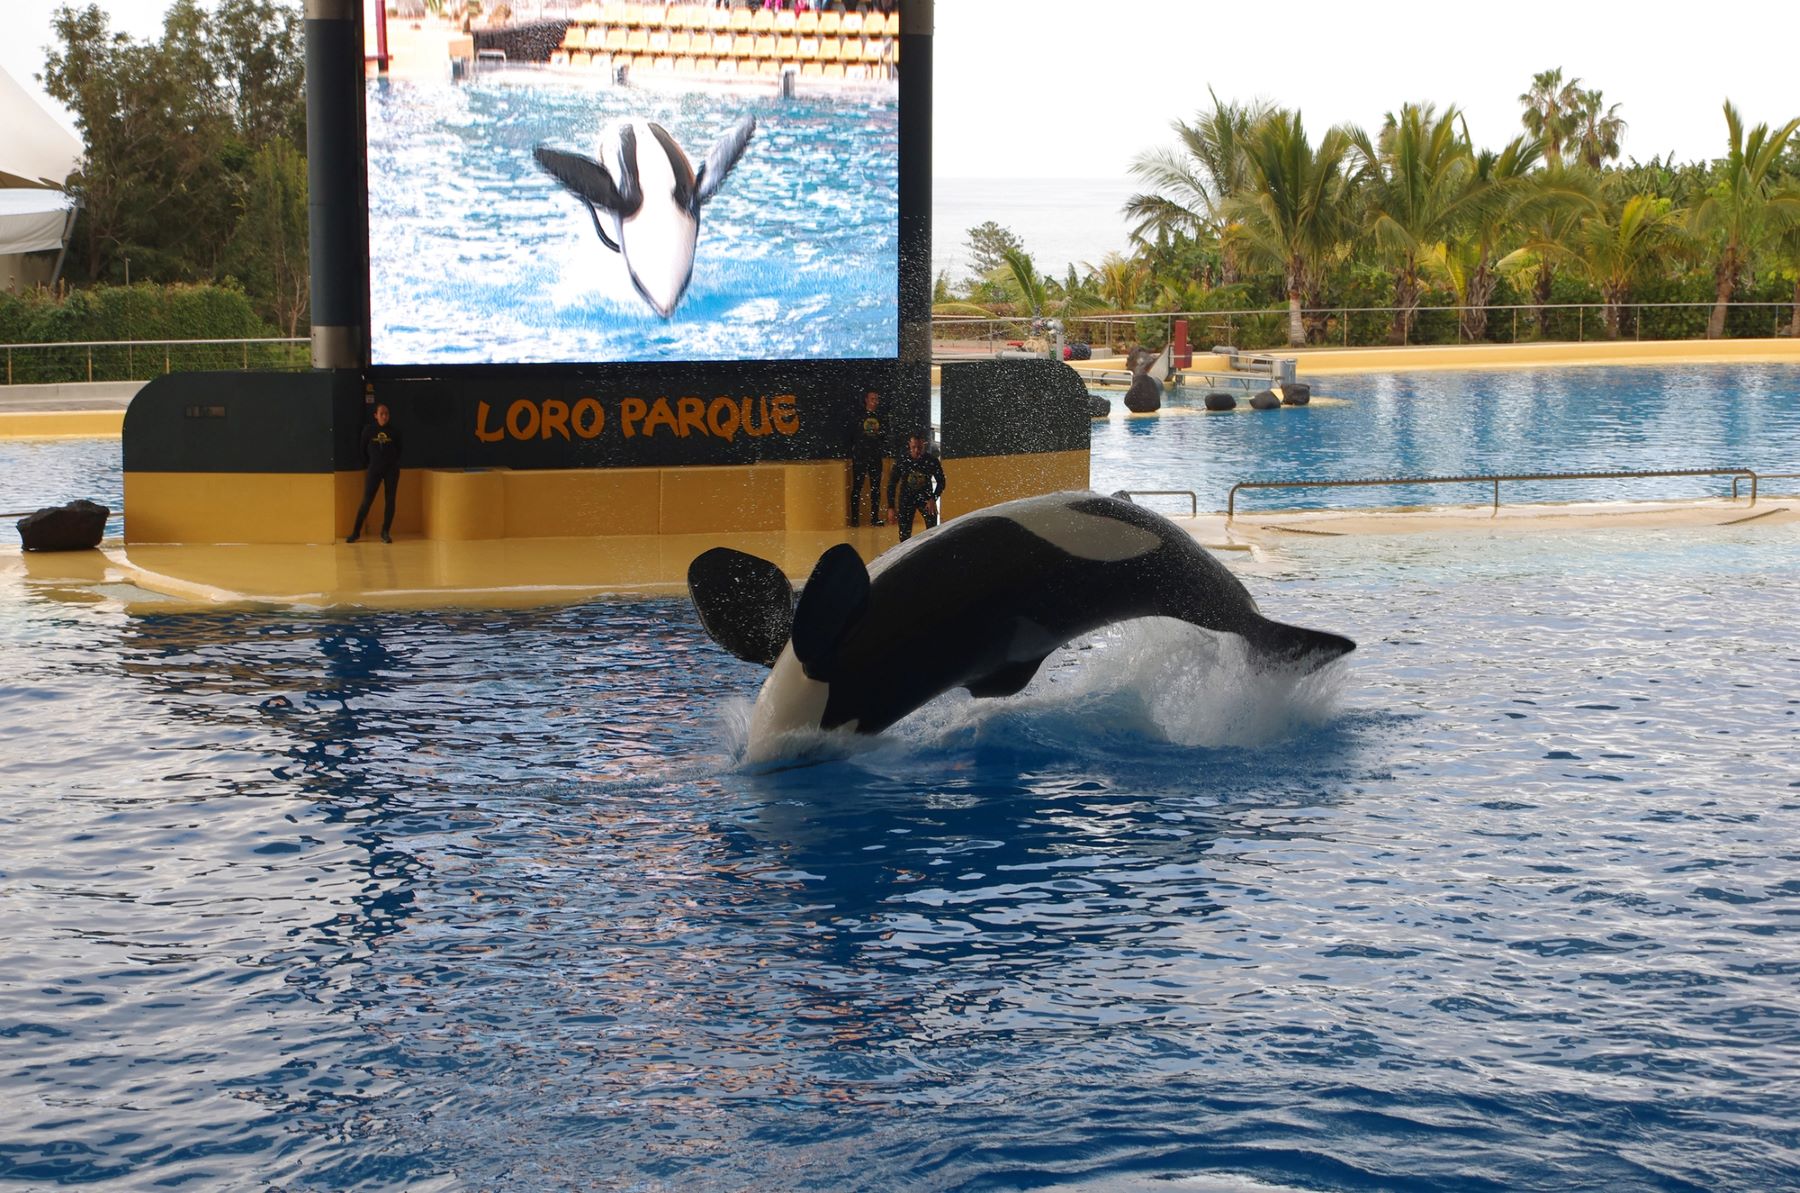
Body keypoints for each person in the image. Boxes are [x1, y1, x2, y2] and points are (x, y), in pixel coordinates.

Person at [347, 403, 402, 544]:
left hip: (391, 470)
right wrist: (370, 464)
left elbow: (399, 450)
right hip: (374, 469)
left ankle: (385, 532)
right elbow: (362, 450)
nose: (384, 416)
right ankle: (355, 532)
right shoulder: (368, 430)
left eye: (387, 414)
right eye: (381, 414)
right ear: (375, 415)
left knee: (390, 501)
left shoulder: (394, 431)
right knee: (367, 501)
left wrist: (392, 464)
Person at [885, 433, 945, 542]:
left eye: (920, 448)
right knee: (904, 535)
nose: (917, 450)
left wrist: (933, 498)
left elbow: (941, 482)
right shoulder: (902, 461)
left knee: (933, 532)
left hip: (926, 498)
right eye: (914, 447)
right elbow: (892, 484)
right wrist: (891, 507)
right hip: (906, 499)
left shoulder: (931, 461)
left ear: (924, 445)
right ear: (909, 445)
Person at [847, 388, 888, 527]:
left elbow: (884, 436)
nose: (875, 402)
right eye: (872, 399)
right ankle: (854, 519)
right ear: (866, 400)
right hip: (860, 456)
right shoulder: (859, 417)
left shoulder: (880, 417)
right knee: (857, 487)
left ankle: (874, 517)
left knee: (875, 488)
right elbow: (852, 436)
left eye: (877, 399)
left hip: (875, 456)